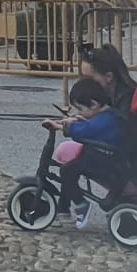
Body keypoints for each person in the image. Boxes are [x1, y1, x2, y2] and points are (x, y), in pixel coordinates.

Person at [44, 76, 127, 230]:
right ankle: (63, 207)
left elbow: (87, 130)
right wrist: (78, 120)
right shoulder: (107, 115)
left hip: (102, 160)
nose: (78, 112)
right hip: (100, 155)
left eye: (80, 109)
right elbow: (90, 126)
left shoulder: (105, 120)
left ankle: (81, 204)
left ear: (94, 104)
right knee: (70, 168)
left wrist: (63, 127)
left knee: (67, 170)